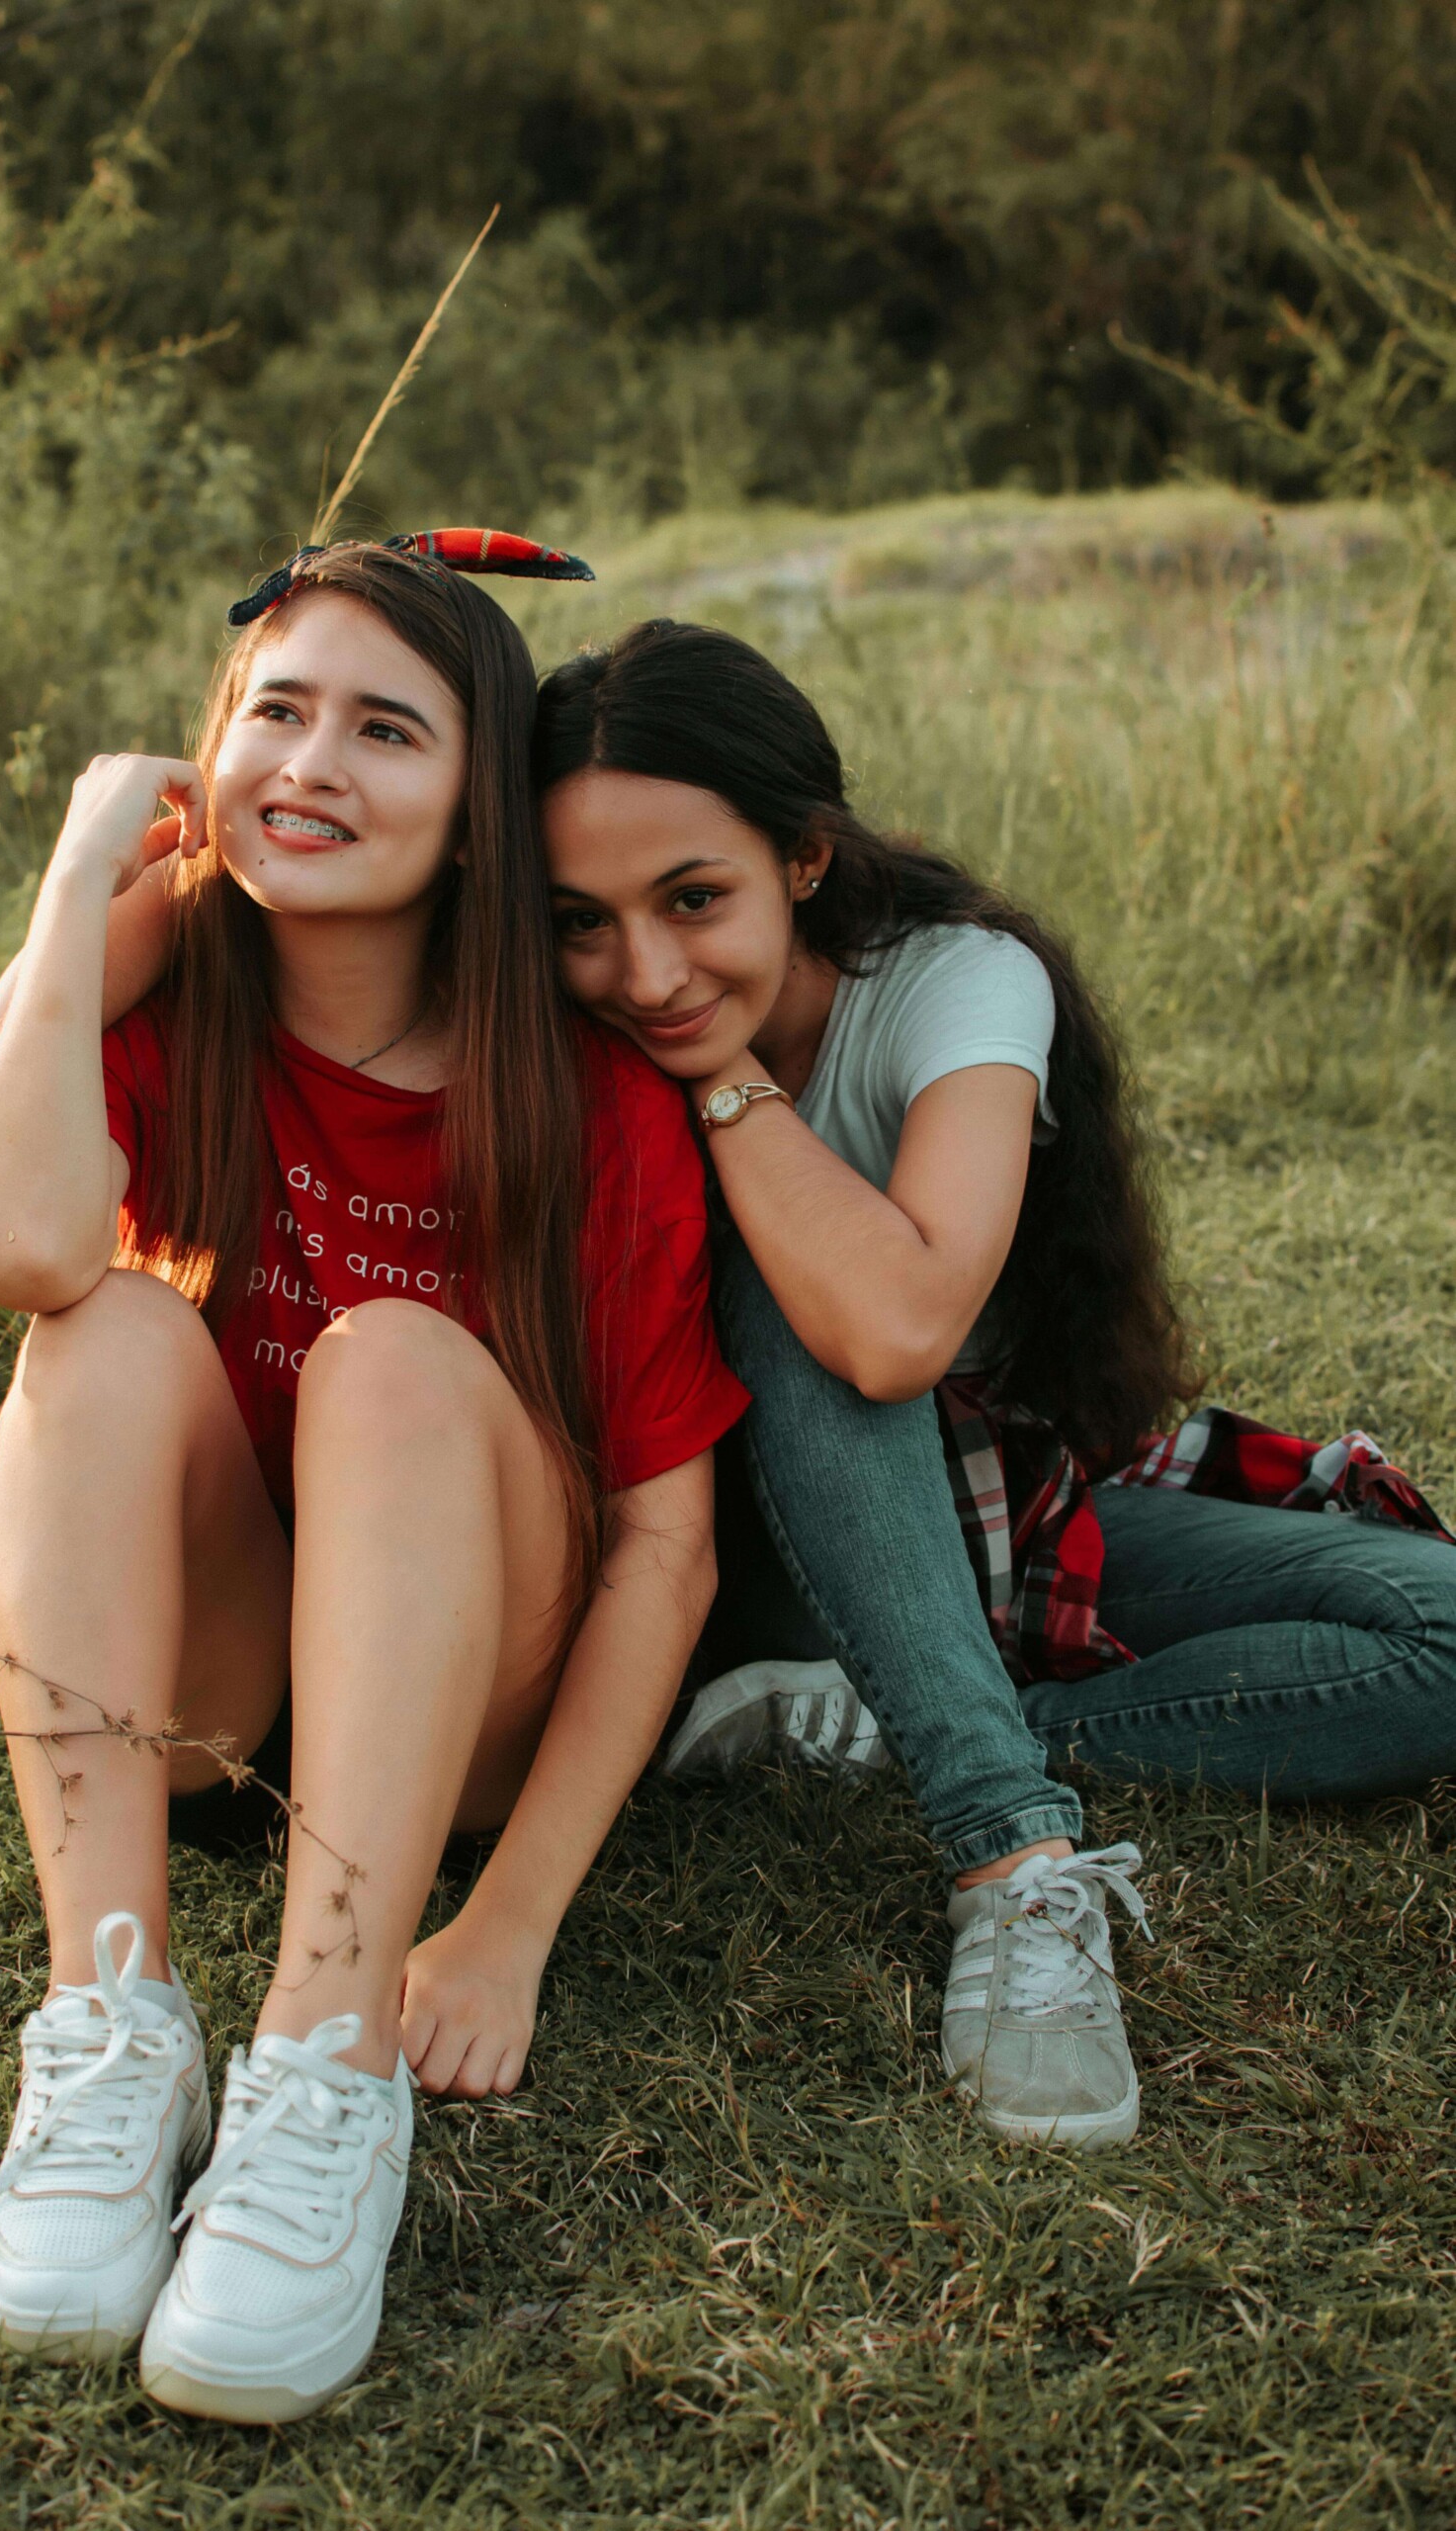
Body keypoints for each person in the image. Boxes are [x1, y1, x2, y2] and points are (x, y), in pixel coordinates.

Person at [0, 539, 748, 2420]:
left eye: (388, 730)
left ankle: (324, 2073)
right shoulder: (177, 1013)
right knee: (99, 1328)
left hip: (470, 1702)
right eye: (277, 712)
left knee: (397, 1358)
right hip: (237, 1699)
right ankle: (111, 2027)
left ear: (480, 812)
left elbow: (666, 1549)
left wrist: (508, 1927)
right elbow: (12, 1251)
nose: (315, 763)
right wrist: (87, 873)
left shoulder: (590, 1100)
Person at [529, 615, 1456, 2147]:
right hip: (715, 1545)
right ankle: (1010, 1847)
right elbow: (875, 1334)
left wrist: (731, 1085)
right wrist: (714, 1084)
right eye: (583, 921)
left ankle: (891, 1716)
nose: (646, 970)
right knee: (791, 1259)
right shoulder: (556, 1028)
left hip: (976, 1515)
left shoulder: (956, 983)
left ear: (805, 857)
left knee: (1438, 1633)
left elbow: (916, 1329)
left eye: (695, 899)